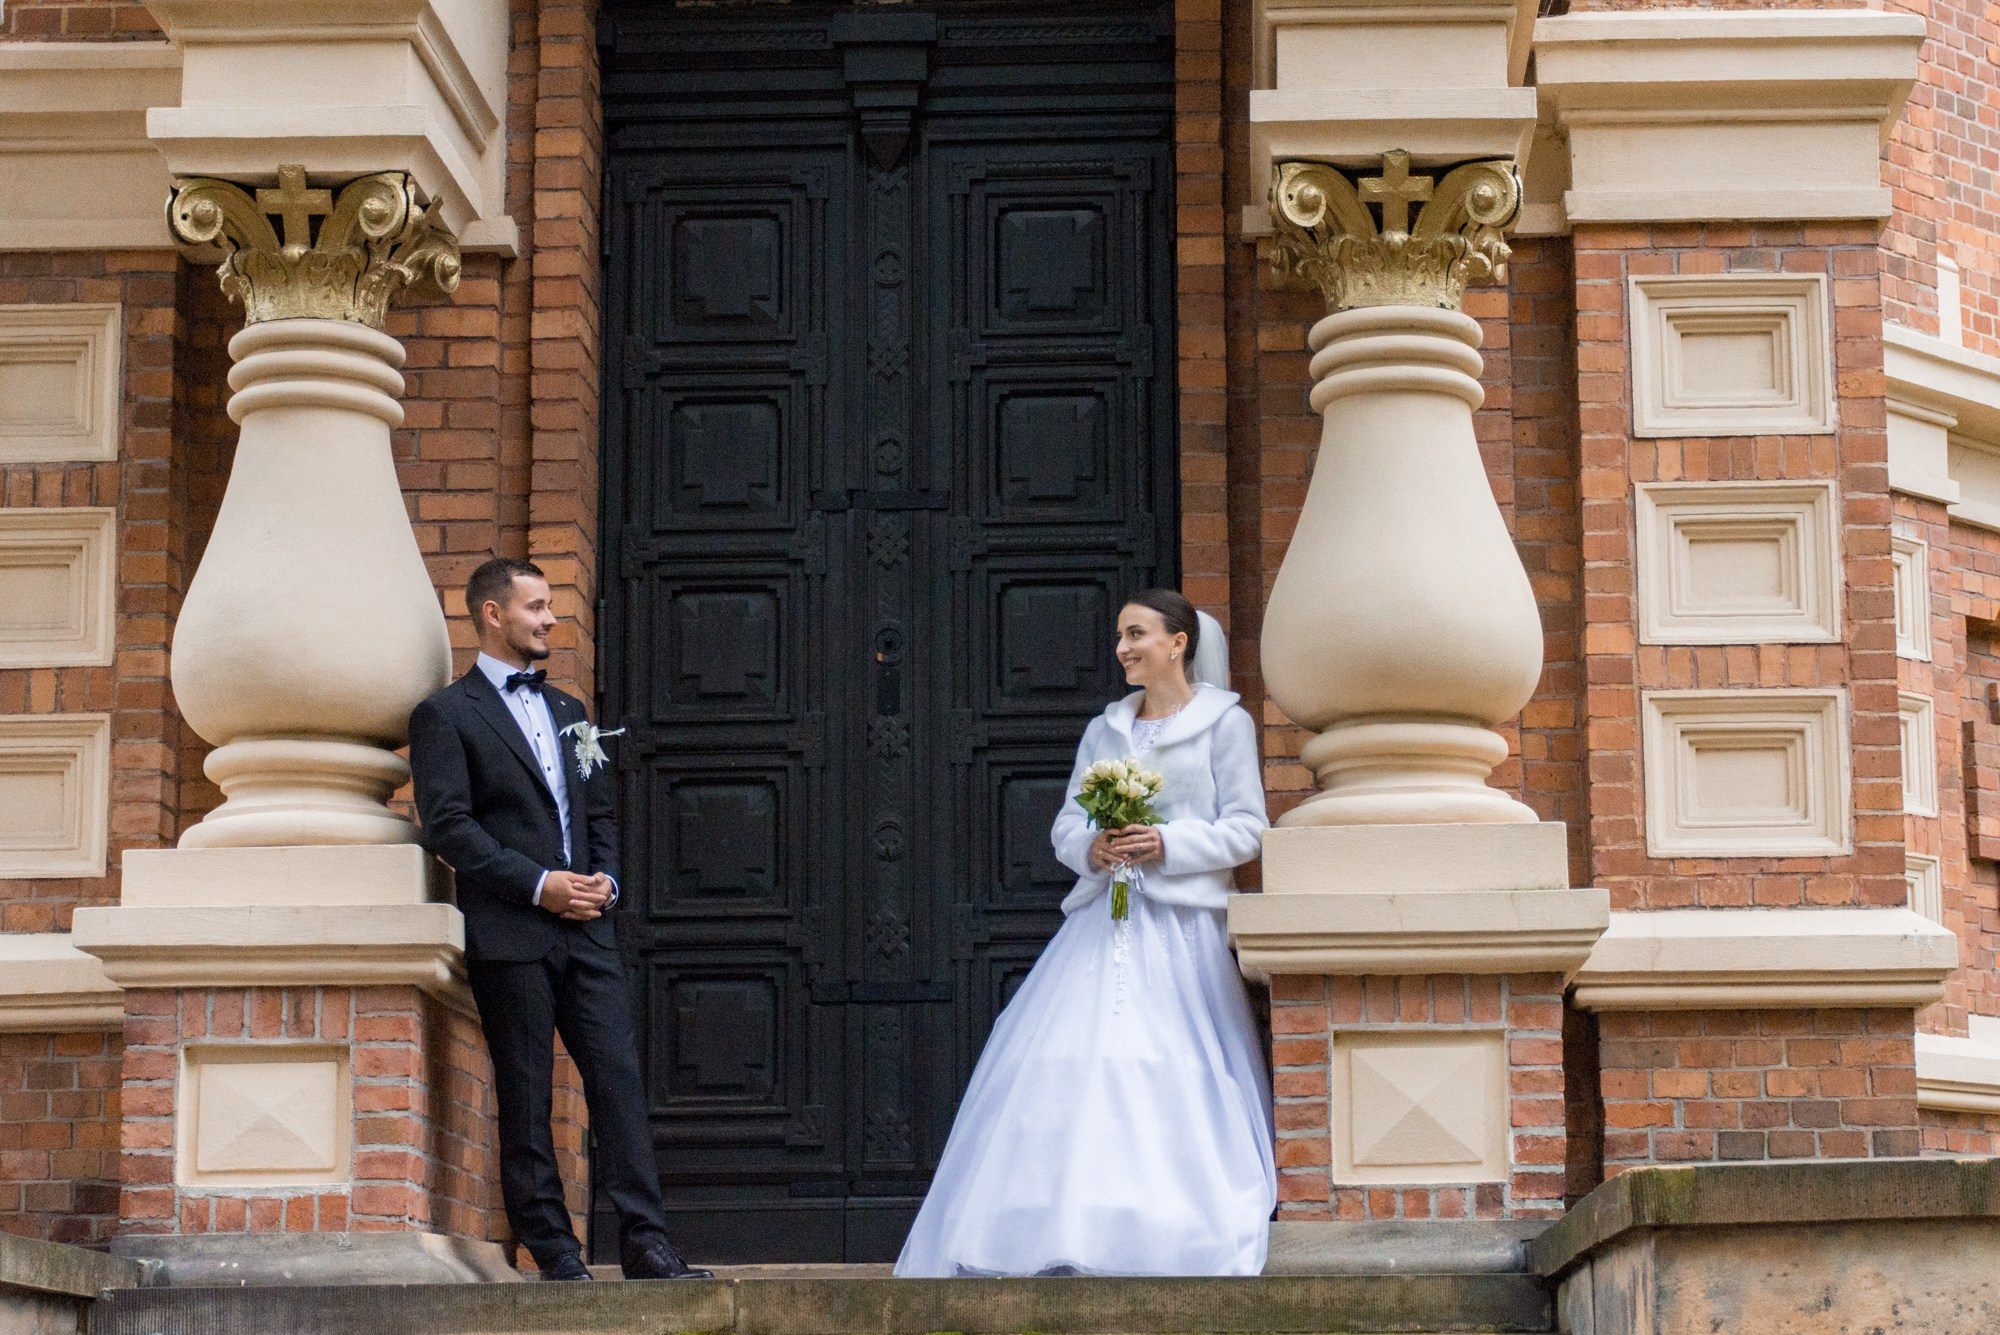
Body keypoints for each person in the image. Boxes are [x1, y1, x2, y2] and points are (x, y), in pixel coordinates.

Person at [895, 590, 1276, 1276]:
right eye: (1121, 636)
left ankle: (1164, 1230)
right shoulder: (1105, 731)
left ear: (1179, 642)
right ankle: (1056, 1228)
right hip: (1108, 919)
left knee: (1164, 1068)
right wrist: (1094, 848)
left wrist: (1167, 840)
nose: (1124, 647)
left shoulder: (1227, 724)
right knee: (1073, 1061)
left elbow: (1249, 826)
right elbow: (1067, 824)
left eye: (1137, 633)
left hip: (1185, 925)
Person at [408, 557, 710, 1283]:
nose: (549, 619)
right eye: (536, 607)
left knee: (618, 1084)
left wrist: (604, 879)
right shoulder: (444, 715)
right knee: (527, 1090)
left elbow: (597, 809)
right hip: (513, 933)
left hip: (589, 932)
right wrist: (540, 884)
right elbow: (451, 827)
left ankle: (646, 1242)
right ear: (493, 614)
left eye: (549, 607)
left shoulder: (573, 713)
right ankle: (556, 1252)